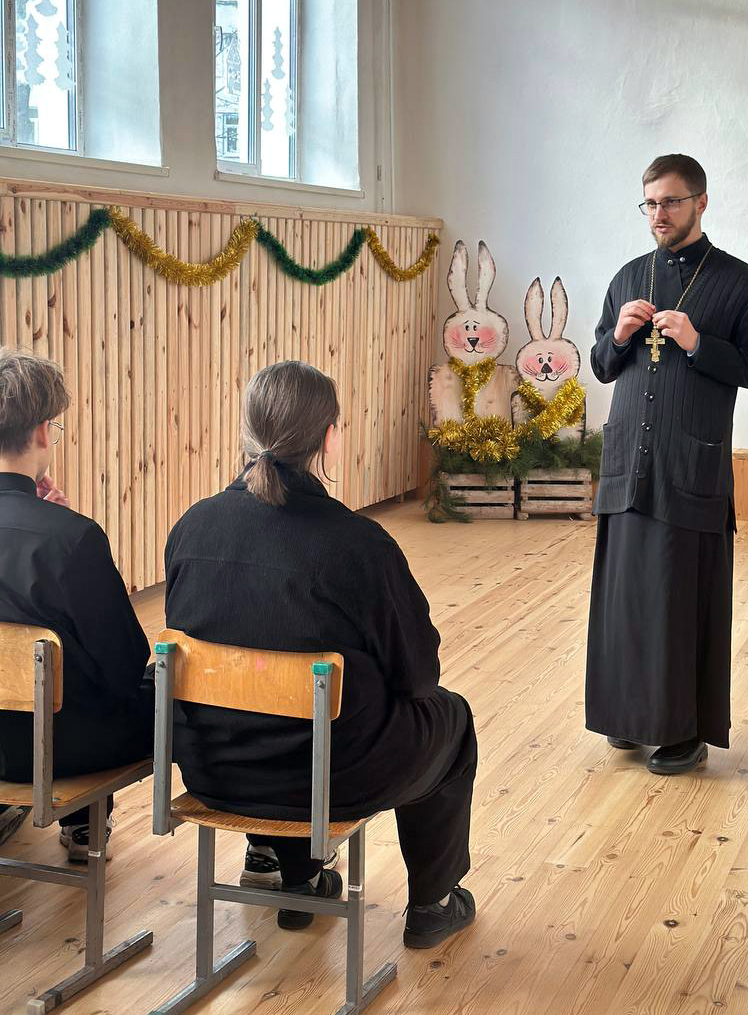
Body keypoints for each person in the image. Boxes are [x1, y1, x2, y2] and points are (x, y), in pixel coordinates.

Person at [164, 360, 477, 947]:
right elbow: (418, 676)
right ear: (329, 436)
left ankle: (283, 867)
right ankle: (433, 904)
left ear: (246, 431)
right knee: (451, 718)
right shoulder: (358, 543)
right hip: (332, 778)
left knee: (260, 702)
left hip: (213, 766)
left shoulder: (191, 528)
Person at [586, 155, 748, 774]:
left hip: (690, 464)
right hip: (628, 463)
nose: (658, 215)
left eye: (670, 202)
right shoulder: (628, 276)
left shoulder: (737, 281)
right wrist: (618, 336)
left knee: (676, 599)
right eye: (649, 203)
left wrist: (697, 344)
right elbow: (601, 365)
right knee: (625, 598)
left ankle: (682, 730)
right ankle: (626, 716)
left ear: (701, 202)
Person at [0, 349, 154, 858]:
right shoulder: (72, 537)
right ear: (43, 432)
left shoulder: (66, 536)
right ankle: (84, 823)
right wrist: (62, 530)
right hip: (56, 750)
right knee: (156, 684)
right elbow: (124, 665)